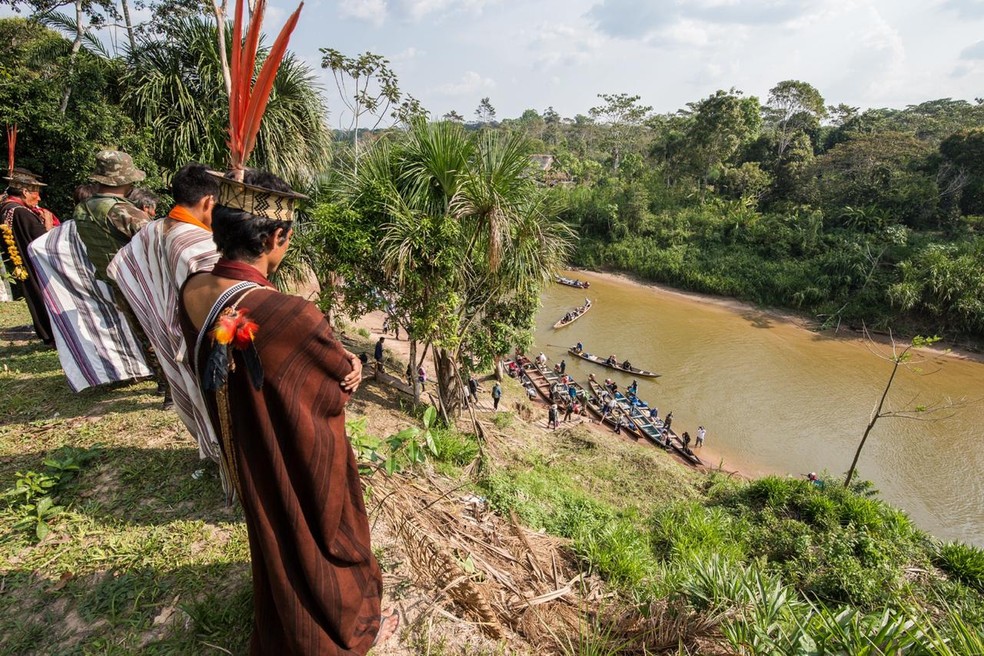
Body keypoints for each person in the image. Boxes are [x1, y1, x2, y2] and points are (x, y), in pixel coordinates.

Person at [179, 168, 388, 653]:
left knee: (270, 527)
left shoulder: (192, 288)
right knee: (311, 530)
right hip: (280, 445)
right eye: (287, 237)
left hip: (242, 442)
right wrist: (350, 366)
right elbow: (330, 388)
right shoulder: (291, 313)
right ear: (276, 236)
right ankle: (330, 622)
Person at [108, 164, 222, 461]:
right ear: (209, 201)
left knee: (196, 399)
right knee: (213, 403)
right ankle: (223, 455)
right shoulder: (199, 244)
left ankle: (212, 449)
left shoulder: (155, 227)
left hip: (169, 332)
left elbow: (120, 266)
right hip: (194, 338)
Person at [29, 150, 156, 391]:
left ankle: (160, 382)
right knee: (154, 331)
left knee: (140, 331)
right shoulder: (123, 211)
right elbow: (154, 243)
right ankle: (169, 386)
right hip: (139, 280)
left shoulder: (83, 208)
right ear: (124, 181)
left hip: (112, 279)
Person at [1, 169, 55, 345]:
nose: (38, 198)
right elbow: (43, 241)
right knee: (44, 296)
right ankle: (54, 334)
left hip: (22, 264)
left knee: (34, 294)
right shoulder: (21, 213)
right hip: (35, 265)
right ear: (24, 192)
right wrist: (47, 224)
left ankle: (47, 332)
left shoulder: (6, 207)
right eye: (36, 193)